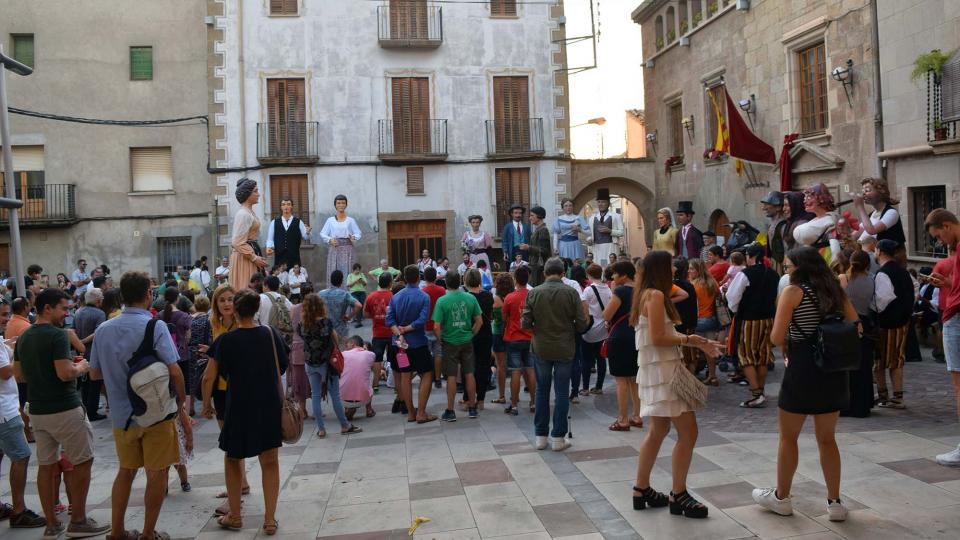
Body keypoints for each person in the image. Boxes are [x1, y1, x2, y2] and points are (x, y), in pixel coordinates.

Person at [752, 246, 858, 522]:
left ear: (799, 268)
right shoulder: (834, 289)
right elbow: (855, 322)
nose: (786, 271)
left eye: (787, 267)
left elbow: (776, 337)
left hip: (802, 365)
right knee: (827, 439)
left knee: (789, 437)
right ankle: (834, 502)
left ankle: (782, 497)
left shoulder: (792, 292)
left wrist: (793, 330)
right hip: (833, 367)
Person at [89, 272, 186, 540]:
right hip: (156, 414)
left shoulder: (103, 330)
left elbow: (95, 375)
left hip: (122, 415)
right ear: (147, 295)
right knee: (157, 474)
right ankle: (147, 533)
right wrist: (183, 403)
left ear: (121, 297)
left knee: (126, 472)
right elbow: (174, 370)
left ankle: (117, 531)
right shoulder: (155, 327)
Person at [13, 288, 110, 538]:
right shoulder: (56, 335)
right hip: (64, 407)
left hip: (38, 409)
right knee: (82, 461)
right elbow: (65, 373)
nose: (67, 314)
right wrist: (83, 367)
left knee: (46, 465)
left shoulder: (24, 337)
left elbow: (19, 374)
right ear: (48, 308)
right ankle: (78, 520)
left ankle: (51, 523)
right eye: (64, 309)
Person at [631, 251, 720, 520]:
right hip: (666, 371)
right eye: (669, 267)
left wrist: (696, 341)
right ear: (661, 270)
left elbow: (660, 333)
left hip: (657, 370)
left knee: (658, 430)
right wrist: (692, 339)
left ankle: (641, 488)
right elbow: (659, 337)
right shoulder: (656, 296)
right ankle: (678, 493)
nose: (674, 271)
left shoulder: (646, 294)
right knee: (688, 432)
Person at [202, 289, 285, 535]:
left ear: (236, 311)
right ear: (257, 310)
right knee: (269, 461)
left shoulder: (225, 341)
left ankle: (235, 515)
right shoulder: (271, 334)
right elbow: (281, 367)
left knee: (233, 458)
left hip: (238, 405)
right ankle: (270, 520)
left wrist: (206, 405)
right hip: (268, 404)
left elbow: (209, 376)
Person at [521, 257, 588, 451]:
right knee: (561, 392)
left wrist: (539, 329)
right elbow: (582, 323)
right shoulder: (571, 292)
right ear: (562, 273)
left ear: (544, 274)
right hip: (565, 347)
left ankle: (540, 436)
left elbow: (525, 323)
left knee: (542, 390)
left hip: (541, 346)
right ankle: (558, 437)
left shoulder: (534, 293)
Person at [0, 297, 47, 529]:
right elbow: (7, 373)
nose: (6, 319)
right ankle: (18, 510)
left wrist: (8, 345)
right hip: (4, 411)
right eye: (2, 315)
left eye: (7, 314)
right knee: (21, 455)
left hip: (4, 408)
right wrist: (19, 356)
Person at [925, 210, 960, 467]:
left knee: (959, 384)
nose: (941, 242)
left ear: (947, 226)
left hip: (957, 316)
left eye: (939, 236)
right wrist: (947, 283)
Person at [299, 293, 361, 437]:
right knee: (335, 395)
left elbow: (304, 339)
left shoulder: (302, 325)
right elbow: (335, 338)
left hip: (310, 362)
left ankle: (321, 429)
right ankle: (344, 425)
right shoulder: (326, 322)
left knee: (315, 395)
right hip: (327, 363)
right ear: (321, 306)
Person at [726, 244, 779, 407]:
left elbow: (732, 296)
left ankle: (756, 393)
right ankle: (760, 391)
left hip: (749, 319)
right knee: (762, 356)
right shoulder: (773, 274)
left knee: (746, 356)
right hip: (768, 318)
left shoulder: (745, 274)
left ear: (751, 256)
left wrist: (736, 310)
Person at [386, 265, 437, 423]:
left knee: (405, 376)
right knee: (427, 373)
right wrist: (407, 329)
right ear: (418, 278)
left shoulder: (395, 297)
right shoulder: (423, 297)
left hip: (399, 344)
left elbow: (390, 320)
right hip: (417, 342)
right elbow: (422, 320)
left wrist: (400, 333)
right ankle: (421, 412)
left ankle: (410, 413)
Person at [433, 272, 483, 421]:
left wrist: (440, 339)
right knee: (469, 374)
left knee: (452, 376)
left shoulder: (442, 301)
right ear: (460, 281)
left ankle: (450, 410)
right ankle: (472, 408)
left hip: (450, 341)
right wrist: (471, 334)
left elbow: (436, 326)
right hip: (466, 340)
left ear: (446, 284)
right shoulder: (470, 297)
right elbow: (479, 321)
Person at [871, 239, 913, 409]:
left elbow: (882, 300)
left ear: (879, 251)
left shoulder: (883, 273)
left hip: (887, 322)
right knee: (897, 360)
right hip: (903, 320)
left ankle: (884, 396)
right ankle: (897, 395)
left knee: (880, 361)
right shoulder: (903, 271)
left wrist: (870, 307)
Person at [603, 260, 643, 430]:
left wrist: (613, 292)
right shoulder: (641, 291)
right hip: (636, 335)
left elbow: (606, 315)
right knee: (634, 379)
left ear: (624, 275)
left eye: (615, 273)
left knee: (621, 380)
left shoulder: (620, 291)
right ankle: (637, 416)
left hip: (619, 337)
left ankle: (623, 419)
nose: (612, 276)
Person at [840, 251, 875, 418]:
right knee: (864, 366)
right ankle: (863, 405)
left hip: (847, 324)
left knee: (847, 365)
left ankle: (847, 404)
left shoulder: (843, 279)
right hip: (865, 322)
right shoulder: (872, 280)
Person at [502, 267, 536, 415]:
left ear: (515, 279)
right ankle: (534, 402)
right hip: (530, 337)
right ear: (528, 279)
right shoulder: (533, 295)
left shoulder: (509, 297)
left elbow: (504, 318)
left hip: (514, 337)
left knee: (515, 371)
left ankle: (514, 405)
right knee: (530, 369)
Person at [74, 287, 108, 421]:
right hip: (93, 351)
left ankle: (86, 410)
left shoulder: (78, 311)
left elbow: (73, 330)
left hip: (80, 352)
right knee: (94, 382)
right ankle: (92, 411)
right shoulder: (99, 313)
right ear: (98, 301)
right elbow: (98, 332)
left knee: (84, 383)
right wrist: (83, 341)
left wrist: (79, 342)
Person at [229, 178, 269, 289]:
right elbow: (237, 242)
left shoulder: (249, 212)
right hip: (245, 258)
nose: (258, 194)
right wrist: (254, 258)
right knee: (247, 289)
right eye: (255, 191)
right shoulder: (243, 214)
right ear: (247, 193)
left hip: (249, 254)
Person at [580, 264, 612, 396]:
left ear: (589, 275)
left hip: (590, 329)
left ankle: (586, 388)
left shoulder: (588, 290)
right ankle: (599, 387)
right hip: (603, 328)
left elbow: (584, 309)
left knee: (586, 360)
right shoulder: (608, 289)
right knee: (601, 359)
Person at [464, 269, 494, 409]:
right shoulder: (488, 296)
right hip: (486, 334)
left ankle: (467, 398)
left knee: (469, 367)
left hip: (470, 333)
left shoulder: (466, 297)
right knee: (483, 366)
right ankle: (481, 399)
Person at [688, 258, 720, 386]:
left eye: (692, 268)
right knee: (710, 350)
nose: (689, 271)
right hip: (711, 319)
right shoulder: (712, 282)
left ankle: (691, 379)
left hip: (698, 320)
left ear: (698, 270)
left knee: (694, 352)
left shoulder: (694, 285)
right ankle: (713, 376)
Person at [793, 183, 842, 264]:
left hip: (824, 263)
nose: (805, 200)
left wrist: (833, 267)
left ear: (821, 199)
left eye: (809, 197)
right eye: (805, 197)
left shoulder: (831, 220)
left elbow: (836, 252)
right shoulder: (816, 219)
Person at [320, 194, 362, 287]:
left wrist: (354, 237)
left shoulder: (350, 220)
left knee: (348, 270)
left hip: (348, 249)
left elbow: (358, 233)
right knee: (335, 271)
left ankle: (348, 293)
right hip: (335, 249)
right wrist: (330, 240)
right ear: (335, 205)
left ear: (346, 205)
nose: (341, 205)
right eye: (338, 203)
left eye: (343, 203)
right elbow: (322, 233)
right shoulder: (330, 220)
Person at [365, 274, 394, 398]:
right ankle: (395, 385)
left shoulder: (371, 296)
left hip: (377, 332)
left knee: (377, 358)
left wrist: (375, 316)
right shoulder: (393, 296)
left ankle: (375, 385)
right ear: (390, 283)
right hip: (392, 332)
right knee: (393, 359)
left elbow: (365, 314)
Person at [854, 177, 905, 246]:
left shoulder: (891, 212)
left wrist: (860, 207)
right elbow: (855, 235)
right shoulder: (872, 214)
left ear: (880, 192)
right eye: (863, 191)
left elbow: (872, 230)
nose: (863, 194)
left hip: (887, 255)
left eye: (867, 190)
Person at [266, 198, 311, 270]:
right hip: (279, 257)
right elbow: (270, 239)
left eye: (288, 204)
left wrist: (308, 232)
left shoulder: (298, 222)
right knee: (280, 279)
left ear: (292, 206)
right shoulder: (274, 222)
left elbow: (306, 237)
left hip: (294, 257)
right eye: (283, 204)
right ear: (281, 207)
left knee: (294, 278)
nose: (286, 207)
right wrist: (269, 247)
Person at [287, 283, 311, 417]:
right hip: (311, 347)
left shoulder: (294, 308)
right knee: (311, 378)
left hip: (296, 346)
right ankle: (309, 409)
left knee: (299, 378)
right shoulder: (314, 309)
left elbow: (290, 326)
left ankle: (302, 409)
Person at [672, 257, 699, 374]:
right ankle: (691, 383)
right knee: (690, 357)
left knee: (679, 357)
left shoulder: (671, 286)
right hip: (689, 324)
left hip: (675, 325)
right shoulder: (689, 285)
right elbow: (694, 306)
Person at [340, 336, 377, 420]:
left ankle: (348, 408)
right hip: (365, 398)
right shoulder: (371, 354)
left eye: (347, 344)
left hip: (342, 398)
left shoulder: (343, 354)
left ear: (353, 344)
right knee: (366, 380)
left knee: (346, 378)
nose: (346, 346)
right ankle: (369, 409)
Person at [491, 273, 513, 404]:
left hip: (498, 333)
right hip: (512, 333)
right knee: (516, 366)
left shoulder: (496, 299)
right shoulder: (512, 297)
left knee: (501, 365)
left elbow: (493, 317)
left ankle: (501, 395)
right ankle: (515, 395)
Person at [319, 271, 361, 341]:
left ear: (331, 280)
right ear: (341, 281)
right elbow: (358, 305)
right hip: (340, 330)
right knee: (341, 350)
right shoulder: (344, 294)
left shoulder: (321, 294)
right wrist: (349, 316)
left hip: (325, 329)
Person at [528, 206, 552, 287]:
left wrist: (528, 248)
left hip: (539, 268)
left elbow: (545, 251)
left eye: (532, 215)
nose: (530, 218)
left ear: (539, 216)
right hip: (535, 266)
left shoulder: (543, 230)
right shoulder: (538, 229)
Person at [346, 264, 367, 328]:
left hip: (362, 292)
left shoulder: (362, 275)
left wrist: (361, 281)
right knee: (357, 305)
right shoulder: (350, 275)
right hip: (353, 292)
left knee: (361, 306)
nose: (357, 271)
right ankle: (358, 321)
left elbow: (365, 283)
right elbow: (348, 285)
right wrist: (355, 281)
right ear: (353, 270)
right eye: (356, 269)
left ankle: (358, 320)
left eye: (358, 269)